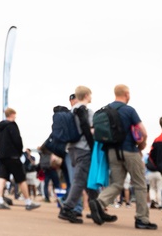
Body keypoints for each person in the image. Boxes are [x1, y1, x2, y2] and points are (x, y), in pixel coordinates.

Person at [95, 84, 157, 229]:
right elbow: (143, 132)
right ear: (127, 94)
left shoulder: (106, 109)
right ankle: (142, 219)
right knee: (140, 184)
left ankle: (99, 202)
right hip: (129, 150)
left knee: (116, 183)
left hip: (111, 151)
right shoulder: (129, 110)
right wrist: (141, 147)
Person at [59, 85, 94, 224]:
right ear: (86, 95)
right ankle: (67, 208)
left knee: (84, 179)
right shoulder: (86, 111)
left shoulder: (70, 111)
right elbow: (90, 130)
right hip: (83, 148)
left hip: (71, 148)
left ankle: (97, 207)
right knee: (80, 180)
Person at [0, 108, 40, 210]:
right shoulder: (12, 125)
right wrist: (19, 152)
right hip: (13, 156)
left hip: (2, 155)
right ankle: (28, 202)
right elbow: (17, 141)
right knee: (21, 179)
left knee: (2, 177)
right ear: (12, 114)